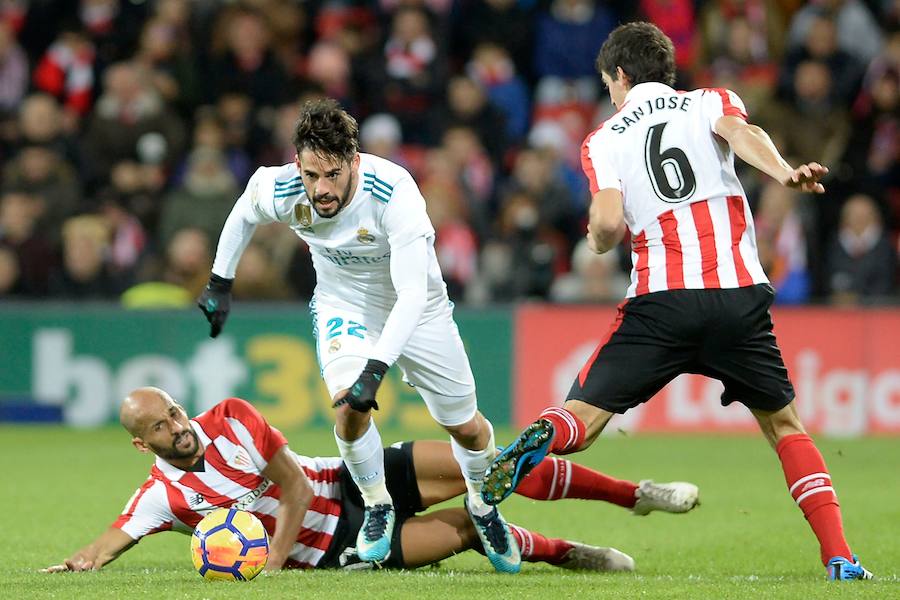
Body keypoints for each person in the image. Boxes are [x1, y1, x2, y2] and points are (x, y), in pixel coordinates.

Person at [481, 22, 872, 582]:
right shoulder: (708, 100)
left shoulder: (604, 138)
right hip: (735, 295)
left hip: (660, 300)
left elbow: (609, 222)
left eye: (608, 84)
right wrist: (784, 172)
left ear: (619, 76)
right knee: (785, 427)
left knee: (583, 423)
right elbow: (741, 134)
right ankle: (839, 556)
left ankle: (545, 432)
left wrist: (596, 238)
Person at [196, 99, 519, 571]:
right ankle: (378, 505)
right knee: (349, 407)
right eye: (310, 175)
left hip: (419, 309)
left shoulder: (394, 191)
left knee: (465, 427)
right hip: (344, 305)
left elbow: (411, 296)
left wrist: (377, 367)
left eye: (331, 175)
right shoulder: (282, 185)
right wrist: (219, 283)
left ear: (353, 161)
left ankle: (482, 503)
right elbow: (243, 214)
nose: (319, 189)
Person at [42, 388, 698, 574]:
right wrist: (79, 563)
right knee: (471, 526)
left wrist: (269, 559)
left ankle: (632, 495)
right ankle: (568, 555)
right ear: (142, 444)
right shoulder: (161, 497)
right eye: (160, 428)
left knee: (492, 468)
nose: (177, 428)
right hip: (340, 548)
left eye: (175, 413)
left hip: (357, 480)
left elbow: (296, 487)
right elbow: (106, 542)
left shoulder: (232, 419)